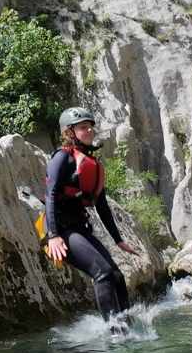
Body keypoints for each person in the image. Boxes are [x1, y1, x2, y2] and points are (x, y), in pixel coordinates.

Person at [44, 106, 141, 323]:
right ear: (70, 132)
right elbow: (50, 195)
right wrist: (53, 235)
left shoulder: (94, 165)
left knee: (116, 276)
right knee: (103, 273)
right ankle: (114, 330)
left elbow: (102, 206)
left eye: (90, 127)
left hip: (80, 229)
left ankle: (127, 324)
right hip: (61, 231)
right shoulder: (62, 158)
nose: (89, 131)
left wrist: (118, 240)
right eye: (83, 128)